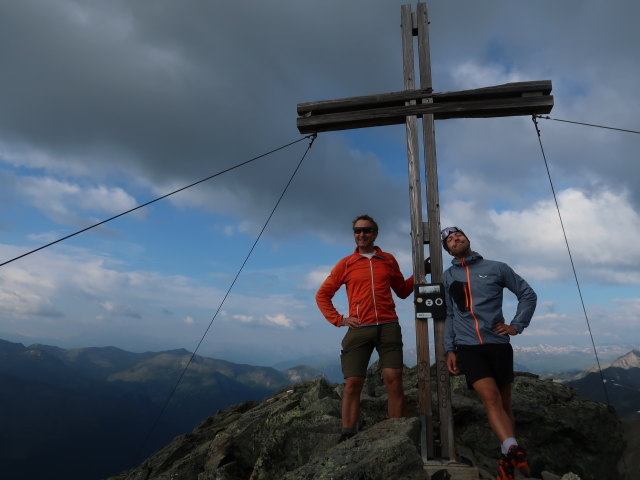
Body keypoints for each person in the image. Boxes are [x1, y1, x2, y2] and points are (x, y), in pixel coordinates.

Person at [441, 226, 536, 480]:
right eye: (449, 239)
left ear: (467, 239)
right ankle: (513, 450)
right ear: (447, 249)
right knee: (492, 399)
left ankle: (507, 460)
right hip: (469, 347)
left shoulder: (497, 267)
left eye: (458, 235)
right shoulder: (448, 275)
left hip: (498, 344)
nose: (455, 239)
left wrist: (516, 325)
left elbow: (527, 294)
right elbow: (450, 314)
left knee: (504, 404)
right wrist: (449, 349)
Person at [316, 214, 414, 443]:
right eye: (358, 231)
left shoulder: (388, 260)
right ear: (354, 235)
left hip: (389, 325)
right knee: (353, 382)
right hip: (360, 328)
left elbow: (401, 290)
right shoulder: (346, 264)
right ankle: (348, 432)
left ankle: (395, 432)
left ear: (375, 233)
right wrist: (339, 319)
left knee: (394, 378)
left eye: (367, 230)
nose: (362, 234)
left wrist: (420, 274)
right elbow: (322, 294)